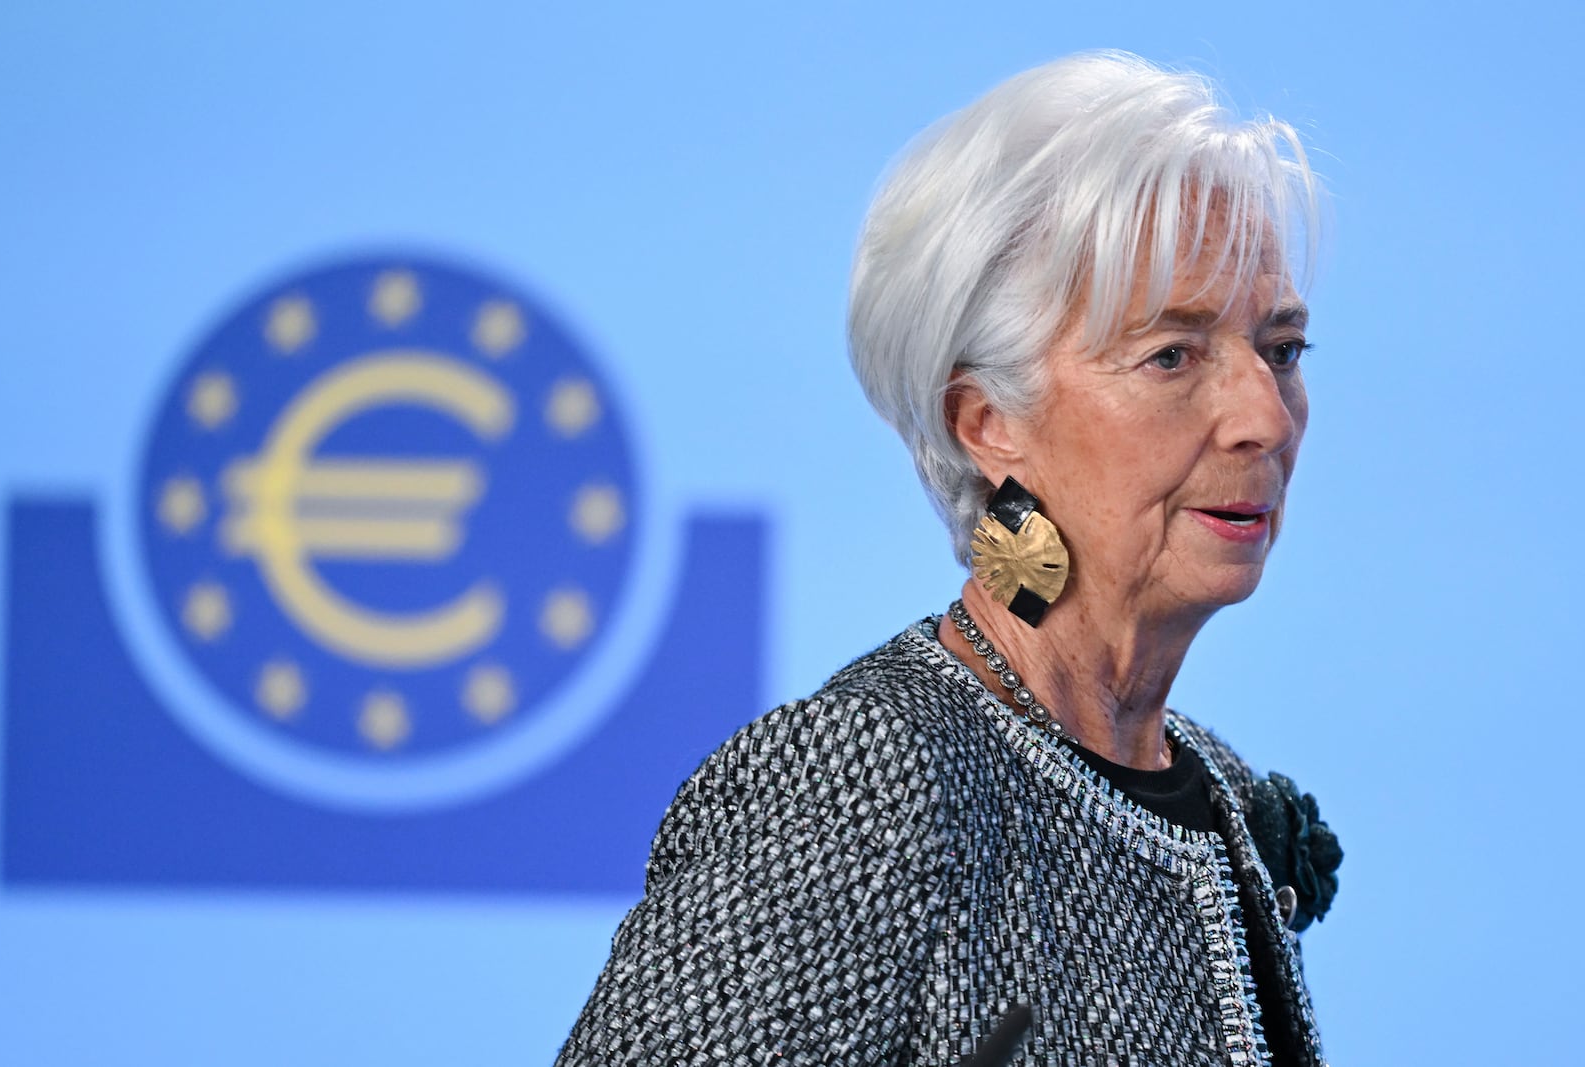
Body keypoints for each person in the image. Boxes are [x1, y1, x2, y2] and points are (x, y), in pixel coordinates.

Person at [555, 50, 1342, 1066]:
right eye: (1170, 355)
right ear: (985, 422)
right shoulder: (858, 785)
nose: (1261, 416)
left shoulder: (1226, 797)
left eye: (1279, 349)